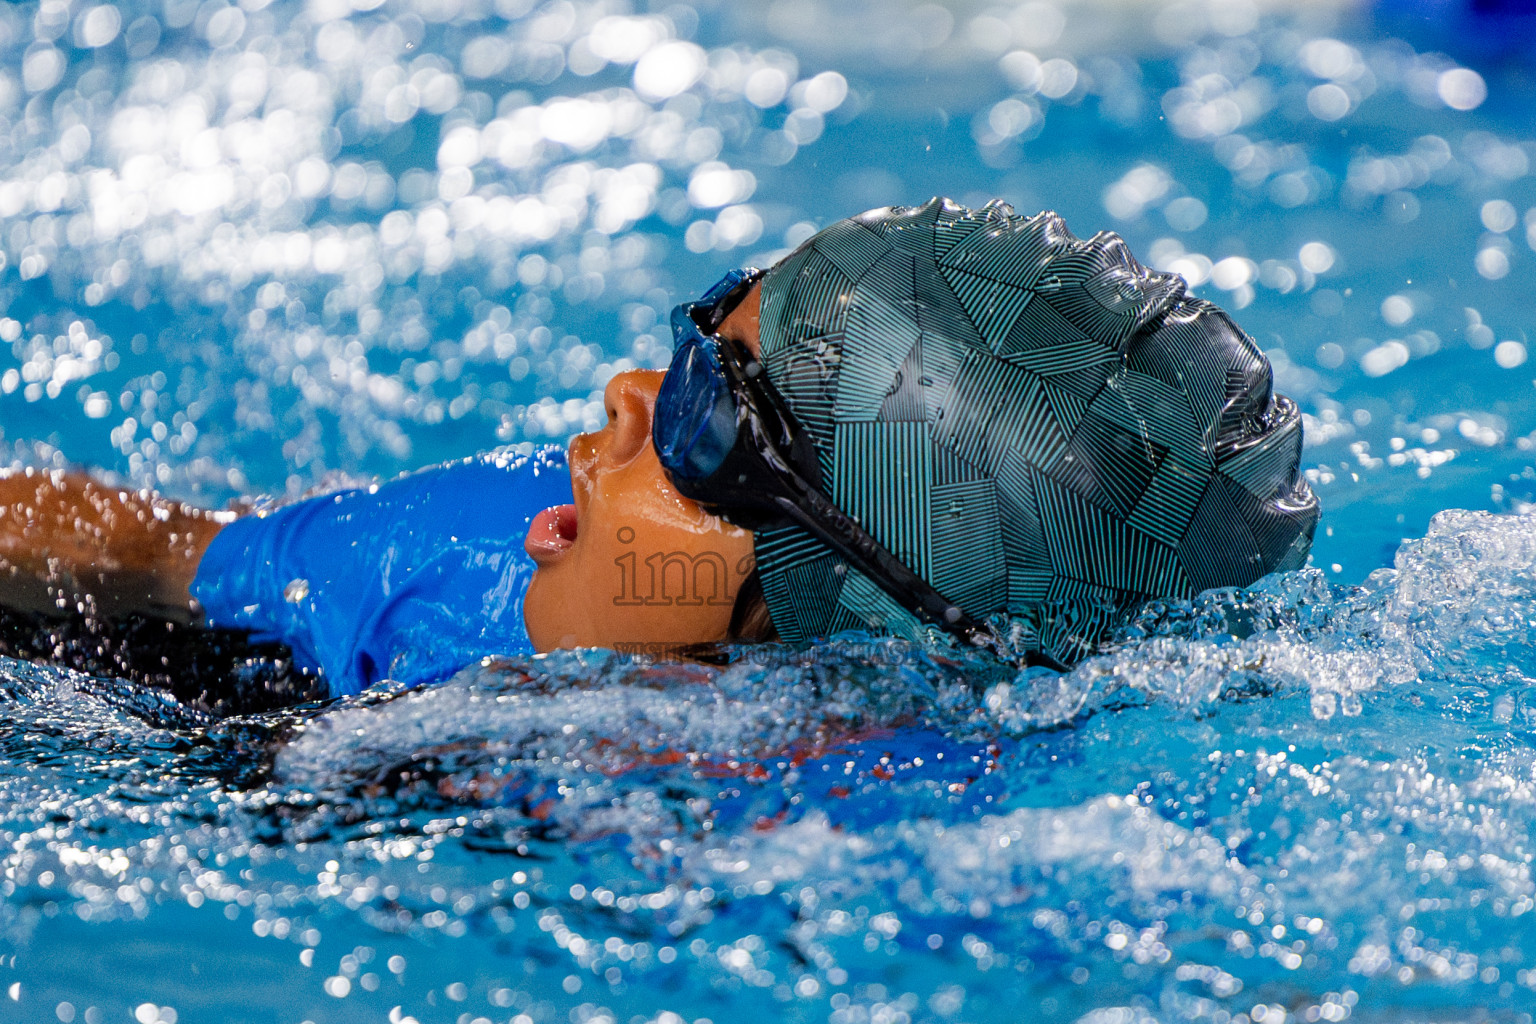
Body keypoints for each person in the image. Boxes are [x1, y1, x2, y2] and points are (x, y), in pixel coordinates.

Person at [0, 197, 1318, 701]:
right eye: (691, 344)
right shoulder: (448, 548)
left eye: (706, 417)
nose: (629, 393)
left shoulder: (885, 867)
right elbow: (141, 548)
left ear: (849, 591)